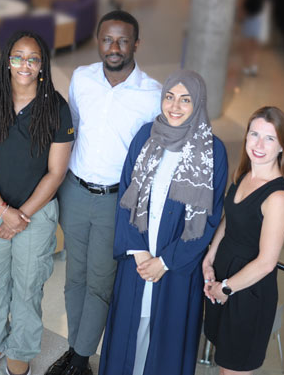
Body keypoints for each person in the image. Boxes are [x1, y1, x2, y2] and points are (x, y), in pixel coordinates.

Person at [46, 11, 161, 375]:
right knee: (73, 277)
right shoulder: (81, 78)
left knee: (99, 281)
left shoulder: (154, 94)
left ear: (136, 44)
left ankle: (81, 360)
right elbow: (71, 131)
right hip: (75, 192)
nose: (114, 47)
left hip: (117, 200)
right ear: (97, 41)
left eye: (122, 40)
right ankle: (74, 350)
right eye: (107, 39)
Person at [98, 69, 228, 375]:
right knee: (128, 334)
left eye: (185, 99)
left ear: (198, 103)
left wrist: (165, 262)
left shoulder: (213, 150)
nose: (175, 106)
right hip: (138, 259)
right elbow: (126, 194)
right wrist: (138, 252)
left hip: (177, 267)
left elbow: (209, 219)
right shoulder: (146, 135)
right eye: (169, 97)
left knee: (165, 342)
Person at [0, 31, 73, 375]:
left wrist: (21, 215)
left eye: (33, 58)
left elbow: (56, 172)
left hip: (37, 213)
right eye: (18, 57)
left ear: (42, 65)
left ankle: (22, 347)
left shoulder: (56, 107)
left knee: (29, 284)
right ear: (7, 60)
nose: (24, 65)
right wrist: (2, 210)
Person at [203, 106, 284, 374]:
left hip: (248, 293)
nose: (258, 144)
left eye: (269, 138)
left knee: (234, 369)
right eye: (254, 134)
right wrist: (209, 259)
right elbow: (228, 219)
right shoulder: (245, 175)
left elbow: (267, 263)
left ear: (282, 147)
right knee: (224, 365)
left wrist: (226, 288)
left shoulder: (279, 198)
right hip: (224, 278)